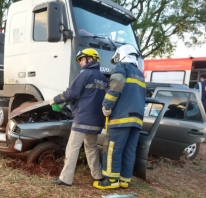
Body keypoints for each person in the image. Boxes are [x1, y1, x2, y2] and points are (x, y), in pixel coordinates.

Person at [50, 48, 108, 186]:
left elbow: (72, 93)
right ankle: (98, 175)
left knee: (72, 148)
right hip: (97, 121)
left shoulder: (84, 73)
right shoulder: (103, 78)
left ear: (91, 59)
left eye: (82, 59)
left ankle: (65, 178)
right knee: (91, 147)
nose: (81, 63)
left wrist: (56, 99)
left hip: (83, 119)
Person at [93, 44, 145, 190]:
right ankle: (124, 180)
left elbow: (116, 85)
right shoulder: (139, 73)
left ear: (121, 55)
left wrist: (107, 105)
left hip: (121, 117)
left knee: (112, 148)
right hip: (137, 119)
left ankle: (111, 180)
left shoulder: (122, 67)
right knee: (129, 149)